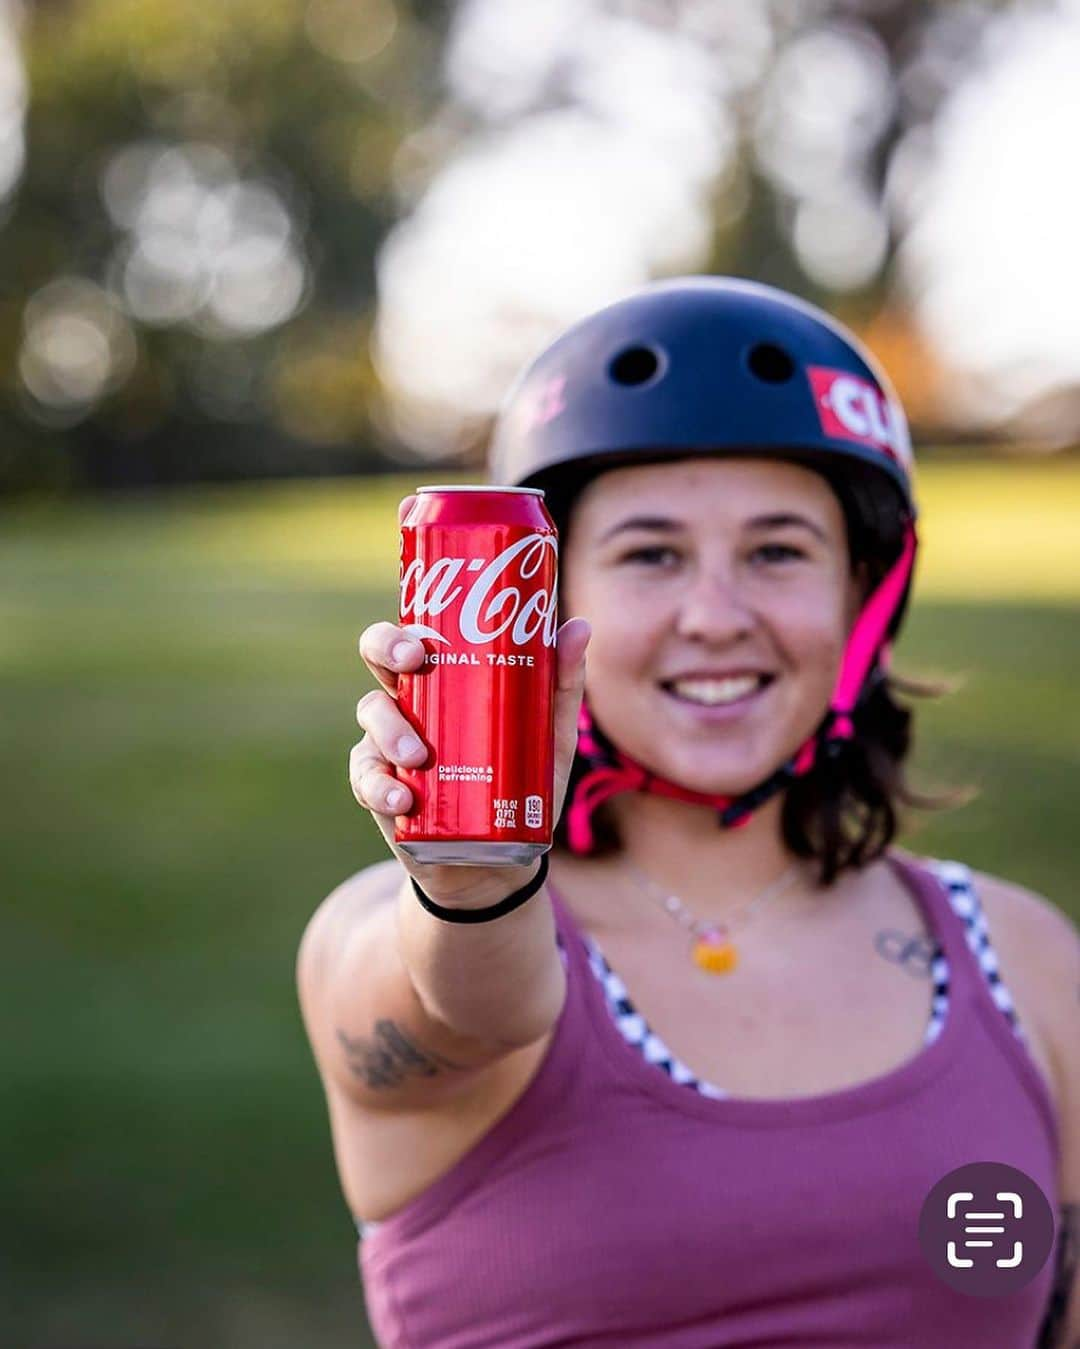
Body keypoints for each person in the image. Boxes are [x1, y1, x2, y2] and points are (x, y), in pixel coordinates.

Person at [297, 277, 1079, 1348]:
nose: (716, 615)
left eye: (777, 550)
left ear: (864, 592)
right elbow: (470, 1004)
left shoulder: (1029, 960)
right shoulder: (376, 932)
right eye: (651, 553)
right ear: (548, 598)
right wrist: (472, 880)